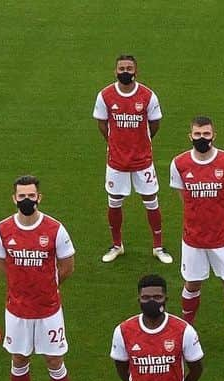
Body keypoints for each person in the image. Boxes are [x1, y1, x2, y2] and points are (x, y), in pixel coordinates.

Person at [0, 175, 76, 381]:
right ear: (13, 198)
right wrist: (20, 286)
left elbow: (67, 266)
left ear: (39, 198)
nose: (26, 200)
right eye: (21, 196)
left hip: (49, 310)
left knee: (54, 361)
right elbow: (0, 262)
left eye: (31, 196)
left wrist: (47, 286)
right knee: (18, 359)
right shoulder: (2, 230)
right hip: (17, 311)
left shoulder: (55, 229)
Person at [170, 116, 224, 353]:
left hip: (222, 237)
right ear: (190, 136)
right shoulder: (179, 164)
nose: (201, 138)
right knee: (192, 284)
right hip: (193, 238)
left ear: (214, 136)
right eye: (197, 134)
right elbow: (184, 197)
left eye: (206, 134)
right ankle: (187, 331)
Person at [92, 54, 172, 265]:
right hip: (116, 162)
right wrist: (114, 143)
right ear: (115, 71)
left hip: (142, 160)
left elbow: (155, 124)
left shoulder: (147, 96)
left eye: (129, 68)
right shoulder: (106, 96)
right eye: (121, 68)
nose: (125, 72)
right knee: (114, 202)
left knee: (151, 201)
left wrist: (141, 142)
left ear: (136, 71)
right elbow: (102, 123)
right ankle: (117, 245)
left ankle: (158, 246)